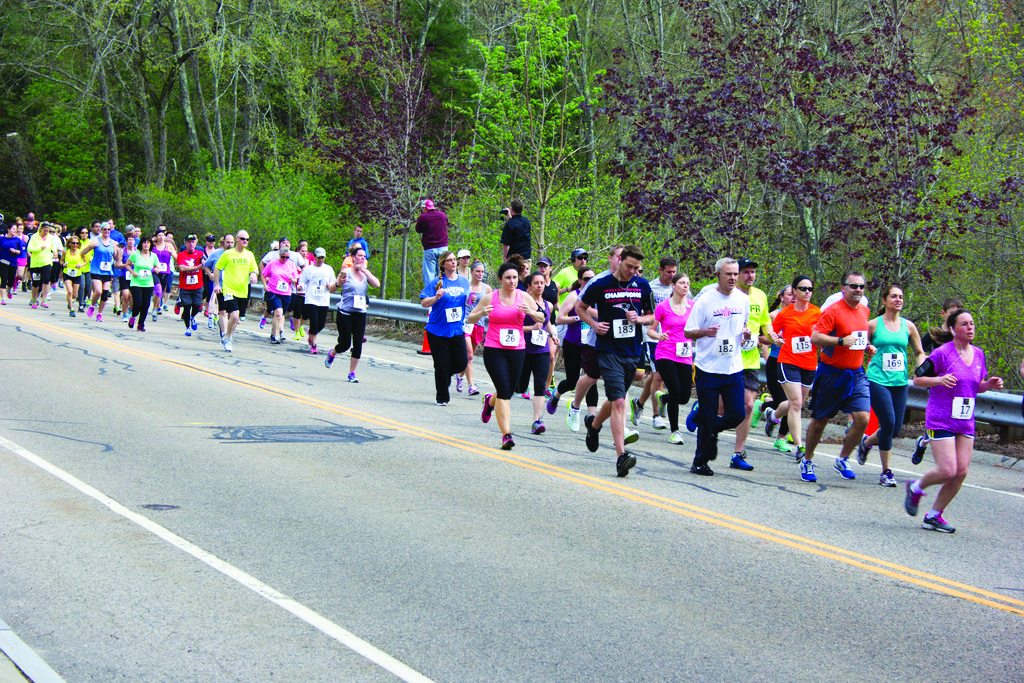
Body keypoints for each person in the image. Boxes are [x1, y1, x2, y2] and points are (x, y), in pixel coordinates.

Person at [903, 309, 1003, 532]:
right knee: (948, 470)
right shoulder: (942, 353)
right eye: (965, 324)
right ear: (952, 329)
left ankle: (934, 515)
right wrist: (939, 380)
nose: (970, 328)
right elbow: (918, 380)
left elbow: (976, 386)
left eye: (972, 324)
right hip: (941, 418)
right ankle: (916, 487)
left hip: (965, 420)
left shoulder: (979, 354)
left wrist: (990, 385)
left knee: (961, 472)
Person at [577, 245, 655, 477]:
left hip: (632, 350)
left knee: (615, 400)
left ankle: (594, 425)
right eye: (629, 266)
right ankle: (621, 456)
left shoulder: (643, 285)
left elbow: (653, 316)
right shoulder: (600, 284)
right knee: (620, 401)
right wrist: (594, 324)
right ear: (619, 260)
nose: (632, 271)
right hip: (607, 350)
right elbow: (580, 308)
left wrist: (640, 318)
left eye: (637, 268)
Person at [800, 272, 874, 482]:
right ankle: (807, 459)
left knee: (862, 419)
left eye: (861, 286)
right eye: (854, 286)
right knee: (820, 420)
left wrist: (867, 346)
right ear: (844, 288)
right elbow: (815, 337)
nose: (858, 290)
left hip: (856, 374)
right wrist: (841, 342)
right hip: (832, 374)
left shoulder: (864, 311)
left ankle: (842, 459)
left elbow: (858, 337)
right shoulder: (833, 311)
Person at [683, 258, 752, 476]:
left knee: (737, 414)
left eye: (735, 274)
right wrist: (705, 332)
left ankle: (710, 430)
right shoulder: (705, 301)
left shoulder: (742, 299)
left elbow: (743, 325)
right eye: (728, 274)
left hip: (733, 367)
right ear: (718, 276)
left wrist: (745, 333)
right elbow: (688, 332)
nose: (733, 278)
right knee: (709, 414)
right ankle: (700, 462)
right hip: (707, 368)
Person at [467, 261, 546, 448]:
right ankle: (506, 435)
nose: (512, 281)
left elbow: (542, 317)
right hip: (495, 349)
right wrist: (481, 313)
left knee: (510, 389)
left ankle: (489, 401)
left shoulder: (524, 297)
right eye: (508, 278)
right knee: (504, 392)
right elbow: (469, 317)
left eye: (515, 278)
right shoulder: (490, 297)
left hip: (517, 349)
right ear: (500, 280)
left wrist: (531, 313)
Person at [857, 285, 927, 485]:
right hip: (878, 379)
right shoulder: (873, 325)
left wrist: (920, 367)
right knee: (887, 422)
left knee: (895, 429)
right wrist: (867, 347)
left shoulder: (909, 326)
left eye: (901, 297)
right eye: (894, 296)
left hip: (900, 381)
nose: (898, 300)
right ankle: (886, 472)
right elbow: (859, 343)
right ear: (885, 300)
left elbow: (919, 351)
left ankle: (867, 442)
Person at [724, 258, 777, 471]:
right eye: (746, 272)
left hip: (750, 359)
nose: (750, 276)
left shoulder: (760, 296)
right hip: (727, 357)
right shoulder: (728, 295)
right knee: (724, 406)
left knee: (747, 405)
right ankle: (702, 410)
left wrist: (774, 337)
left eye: (753, 272)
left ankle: (738, 453)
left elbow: (766, 325)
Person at [765, 276, 822, 461]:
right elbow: (769, 333)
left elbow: (823, 336)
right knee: (796, 403)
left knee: (796, 403)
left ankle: (773, 414)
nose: (807, 292)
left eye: (810, 289)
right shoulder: (785, 313)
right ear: (795, 292)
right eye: (803, 288)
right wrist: (775, 338)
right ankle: (799, 446)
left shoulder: (817, 313)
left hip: (809, 363)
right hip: (788, 361)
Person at [630, 257, 677, 432]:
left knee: (658, 375)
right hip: (653, 336)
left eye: (674, 271)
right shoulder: (650, 287)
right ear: (660, 270)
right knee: (658, 374)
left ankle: (639, 402)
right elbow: (643, 310)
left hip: (674, 338)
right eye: (668, 272)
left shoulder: (680, 287)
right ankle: (657, 416)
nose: (672, 275)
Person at [648, 272, 695, 443]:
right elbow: (650, 330)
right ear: (674, 285)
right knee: (675, 390)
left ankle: (663, 398)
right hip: (665, 353)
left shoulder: (693, 306)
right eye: (682, 283)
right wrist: (658, 336)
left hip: (685, 354)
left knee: (684, 397)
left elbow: (700, 326)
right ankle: (675, 431)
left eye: (687, 284)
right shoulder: (663, 306)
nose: (685, 286)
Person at [547, 267, 600, 419]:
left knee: (591, 378)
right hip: (573, 342)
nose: (589, 281)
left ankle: (591, 417)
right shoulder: (574, 296)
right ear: (579, 280)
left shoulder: (598, 296)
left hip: (590, 343)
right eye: (586, 279)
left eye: (592, 278)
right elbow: (558, 319)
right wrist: (578, 317)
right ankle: (556, 395)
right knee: (572, 381)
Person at [419, 250, 470, 403]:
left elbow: (466, 301)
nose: (453, 262)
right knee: (441, 365)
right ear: (443, 264)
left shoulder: (463, 281)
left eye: (454, 260)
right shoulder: (436, 282)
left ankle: (445, 374)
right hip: (437, 330)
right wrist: (436, 297)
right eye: (449, 260)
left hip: (456, 329)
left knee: (462, 362)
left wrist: (472, 299)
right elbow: (423, 303)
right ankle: (442, 397)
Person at [515, 272, 560, 434]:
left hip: (541, 350)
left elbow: (547, 322)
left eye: (542, 283)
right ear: (529, 286)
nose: (540, 286)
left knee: (540, 386)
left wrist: (553, 334)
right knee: (518, 387)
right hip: (523, 349)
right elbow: (514, 326)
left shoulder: (548, 305)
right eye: (536, 283)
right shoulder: (521, 303)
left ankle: (536, 421)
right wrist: (531, 328)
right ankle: (491, 401)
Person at [325, 245, 379, 380]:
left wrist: (365, 272)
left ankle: (352, 373)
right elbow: (332, 289)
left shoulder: (366, 274)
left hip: (360, 312)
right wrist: (338, 283)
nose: (362, 258)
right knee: (344, 344)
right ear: (353, 257)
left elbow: (377, 284)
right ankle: (332, 353)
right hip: (345, 313)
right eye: (359, 255)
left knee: (358, 344)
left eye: (364, 256)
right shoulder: (346, 272)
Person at [755, 284, 796, 451]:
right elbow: (761, 338)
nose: (793, 297)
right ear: (781, 297)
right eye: (790, 294)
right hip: (775, 362)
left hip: (793, 363)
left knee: (792, 403)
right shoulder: (773, 315)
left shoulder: (801, 316)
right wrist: (773, 340)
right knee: (783, 402)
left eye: (796, 294)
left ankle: (781, 438)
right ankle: (763, 407)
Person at [213, 230, 259, 352]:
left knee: (237, 318)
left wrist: (254, 274)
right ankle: (227, 337)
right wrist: (217, 284)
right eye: (243, 239)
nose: (245, 241)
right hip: (228, 289)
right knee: (234, 315)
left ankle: (229, 335)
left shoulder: (249, 255)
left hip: (242, 290)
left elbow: (254, 269)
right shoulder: (228, 254)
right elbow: (217, 268)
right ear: (237, 239)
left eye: (247, 239)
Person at [456, 260, 490, 396]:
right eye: (477, 271)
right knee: (469, 355)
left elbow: (490, 305)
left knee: (469, 356)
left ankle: (459, 376)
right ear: (472, 272)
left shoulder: (486, 288)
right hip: (466, 323)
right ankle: (471, 386)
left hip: (479, 324)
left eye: (482, 272)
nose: (480, 274)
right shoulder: (465, 286)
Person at [261, 247, 301, 344]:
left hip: (286, 293)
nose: (285, 259)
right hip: (273, 291)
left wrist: (292, 279)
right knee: (278, 312)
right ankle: (275, 336)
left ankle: (273, 332)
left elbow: (296, 279)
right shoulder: (272, 263)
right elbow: (263, 274)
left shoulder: (291, 265)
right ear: (279, 255)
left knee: (281, 314)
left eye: (287, 257)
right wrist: (265, 285)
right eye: (283, 257)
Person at [81, 222, 120, 322]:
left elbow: (116, 257)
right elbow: (83, 252)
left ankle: (99, 313)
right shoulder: (96, 241)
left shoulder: (113, 243)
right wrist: (87, 254)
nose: (106, 231)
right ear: (101, 231)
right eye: (104, 229)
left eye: (108, 229)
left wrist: (117, 251)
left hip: (107, 271)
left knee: (105, 293)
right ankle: (92, 306)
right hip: (96, 270)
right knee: (98, 291)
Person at [299, 247, 336, 354]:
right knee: (314, 322)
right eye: (319, 257)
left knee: (321, 324)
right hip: (311, 299)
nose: (321, 260)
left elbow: (333, 282)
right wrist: (301, 287)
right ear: (315, 257)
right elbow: (302, 281)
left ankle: (311, 332)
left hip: (323, 299)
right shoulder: (309, 269)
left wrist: (330, 285)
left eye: (323, 258)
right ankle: (314, 345)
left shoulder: (328, 269)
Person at [123, 236, 158, 331]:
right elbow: (127, 264)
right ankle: (133, 317)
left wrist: (156, 270)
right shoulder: (136, 254)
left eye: (148, 242)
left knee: (146, 305)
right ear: (141, 244)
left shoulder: (153, 256)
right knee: (138, 303)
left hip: (148, 283)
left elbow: (157, 267)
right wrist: (133, 272)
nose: (146, 244)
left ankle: (141, 324)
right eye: (144, 242)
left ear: (150, 244)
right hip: (136, 283)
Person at [175, 234, 206, 337]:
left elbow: (205, 263)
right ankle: (187, 327)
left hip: (197, 285)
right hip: (185, 286)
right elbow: (182, 268)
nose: (191, 244)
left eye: (193, 242)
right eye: (189, 242)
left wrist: (203, 264)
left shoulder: (200, 253)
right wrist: (197, 267)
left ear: (196, 243)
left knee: (197, 306)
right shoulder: (181, 255)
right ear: (185, 243)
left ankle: (193, 317)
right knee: (187, 307)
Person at [415, 199, 448, 287]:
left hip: (430, 248)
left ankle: (429, 296)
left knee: (429, 274)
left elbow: (418, 230)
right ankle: (444, 293)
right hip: (443, 247)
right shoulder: (442, 215)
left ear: (424, 208)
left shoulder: (422, 217)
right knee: (443, 273)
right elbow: (446, 223)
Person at [27, 222, 59, 309]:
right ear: (40, 229)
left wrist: (55, 252)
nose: (46, 232)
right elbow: (29, 249)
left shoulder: (50, 237)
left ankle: (44, 299)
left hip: (47, 262)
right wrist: (39, 248)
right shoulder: (34, 237)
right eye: (45, 230)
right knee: (36, 283)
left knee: (46, 280)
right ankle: (34, 299)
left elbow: (53, 247)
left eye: (47, 230)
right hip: (36, 263)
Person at [203, 234, 232, 329]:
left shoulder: (235, 255)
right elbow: (206, 265)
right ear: (223, 243)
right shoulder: (216, 253)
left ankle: (225, 327)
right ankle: (222, 329)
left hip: (231, 286)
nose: (230, 244)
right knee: (221, 308)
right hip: (218, 285)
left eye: (232, 242)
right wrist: (210, 274)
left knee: (231, 312)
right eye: (228, 242)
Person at [61, 234, 86, 316]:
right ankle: (71, 309)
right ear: (69, 244)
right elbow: (61, 261)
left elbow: (85, 262)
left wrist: (80, 265)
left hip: (77, 274)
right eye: (73, 243)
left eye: (77, 243)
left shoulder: (80, 252)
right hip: (67, 273)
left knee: (75, 294)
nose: (75, 245)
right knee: (69, 291)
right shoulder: (65, 252)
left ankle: (70, 301)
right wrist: (63, 264)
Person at [1, 223, 24, 303]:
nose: (15, 230)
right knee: (3, 279)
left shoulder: (17, 240)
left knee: (11, 280)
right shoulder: (2, 239)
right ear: (8, 229)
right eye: (13, 229)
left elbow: (21, 251)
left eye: (16, 229)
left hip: (13, 263)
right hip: (3, 262)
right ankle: (3, 298)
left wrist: (15, 251)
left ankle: (9, 288)